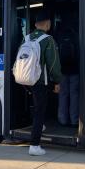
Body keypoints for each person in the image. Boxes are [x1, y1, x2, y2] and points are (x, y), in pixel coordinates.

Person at [27, 10, 62, 156]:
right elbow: (53, 64)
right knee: (40, 111)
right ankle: (34, 146)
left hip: (26, 79)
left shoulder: (27, 38)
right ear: (47, 24)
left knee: (35, 107)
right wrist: (58, 81)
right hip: (41, 81)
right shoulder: (48, 40)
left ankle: (38, 126)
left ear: (35, 25)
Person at [57, 26, 79, 127]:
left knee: (63, 94)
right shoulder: (76, 37)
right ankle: (74, 120)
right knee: (74, 95)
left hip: (62, 71)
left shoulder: (59, 38)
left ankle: (62, 119)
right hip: (75, 71)